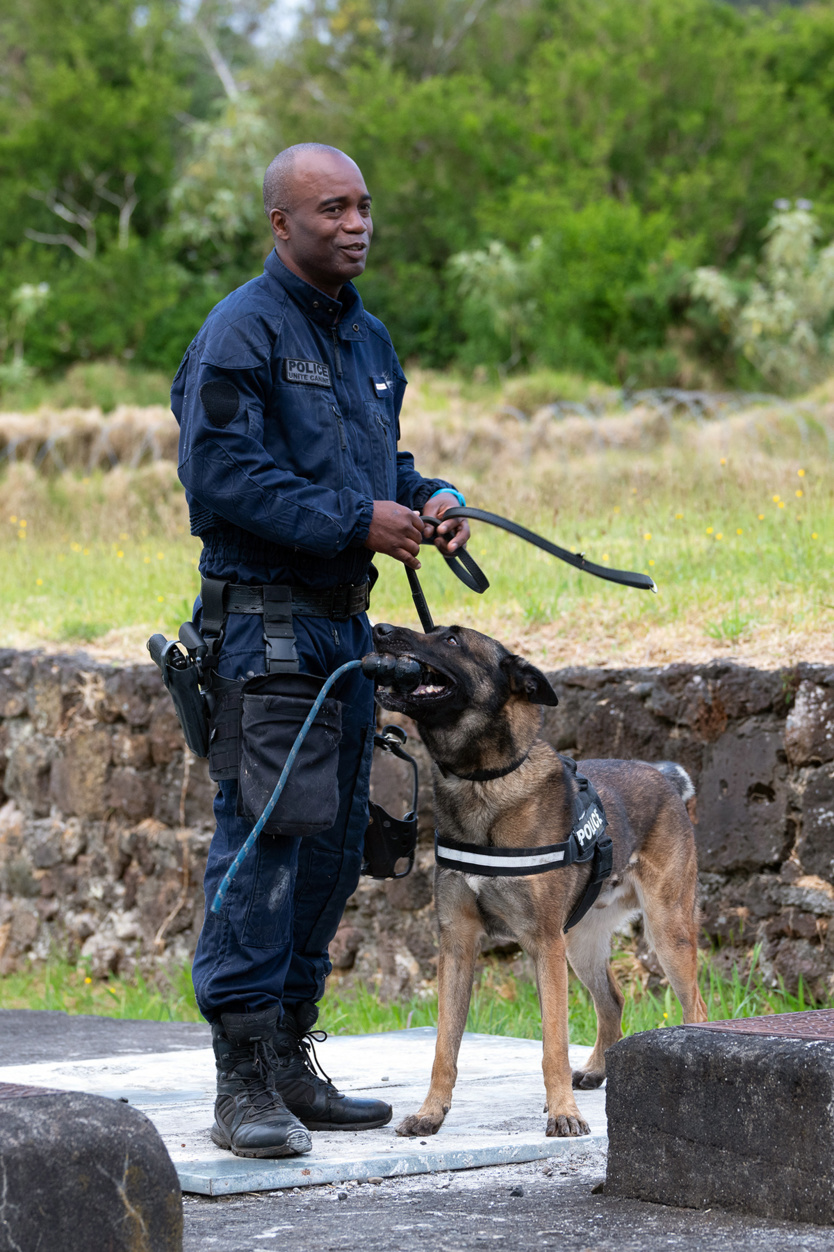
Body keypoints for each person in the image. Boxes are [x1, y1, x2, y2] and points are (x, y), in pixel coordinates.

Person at [170, 143, 470, 1159]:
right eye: (332, 207)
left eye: (364, 205)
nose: (356, 223)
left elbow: (377, 462)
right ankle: (240, 1078)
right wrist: (357, 517)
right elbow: (223, 482)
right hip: (267, 628)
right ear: (280, 224)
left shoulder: (370, 338)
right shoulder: (238, 333)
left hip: (345, 626)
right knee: (265, 844)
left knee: (339, 846)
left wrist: (429, 498)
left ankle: (292, 1054)